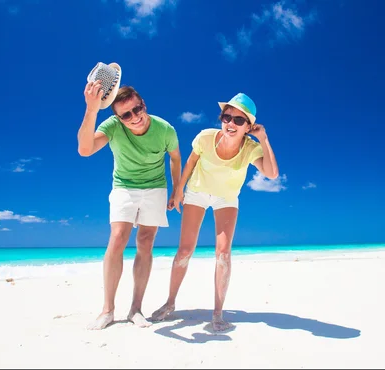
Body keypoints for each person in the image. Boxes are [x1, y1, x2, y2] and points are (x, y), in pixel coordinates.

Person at [151, 92, 279, 332]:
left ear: (248, 127)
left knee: (223, 254)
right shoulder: (206, 138)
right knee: (185, 250)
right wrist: (178, 192)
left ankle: (218, 314)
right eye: (227, 117)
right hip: (197, 191)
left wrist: (263, 138)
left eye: (239, 121)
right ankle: (170, 303)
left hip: (226, 198)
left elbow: (271, 174)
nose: (231, 123)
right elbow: (189, 163)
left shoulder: (251, 148)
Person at [77, 80, 182, 330]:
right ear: (118, 117)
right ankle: (108, 310)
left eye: (138, 109)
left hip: (155, 186)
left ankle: (136, 309)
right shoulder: (111, 126)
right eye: (126, 114)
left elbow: (176, 158)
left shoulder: (165, 129)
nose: (135, 117)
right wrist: (92, 109)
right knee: (118, 237)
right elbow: (85, 149)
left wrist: (178, 190)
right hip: (124, 185)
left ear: (143, 104)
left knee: (145, 242)